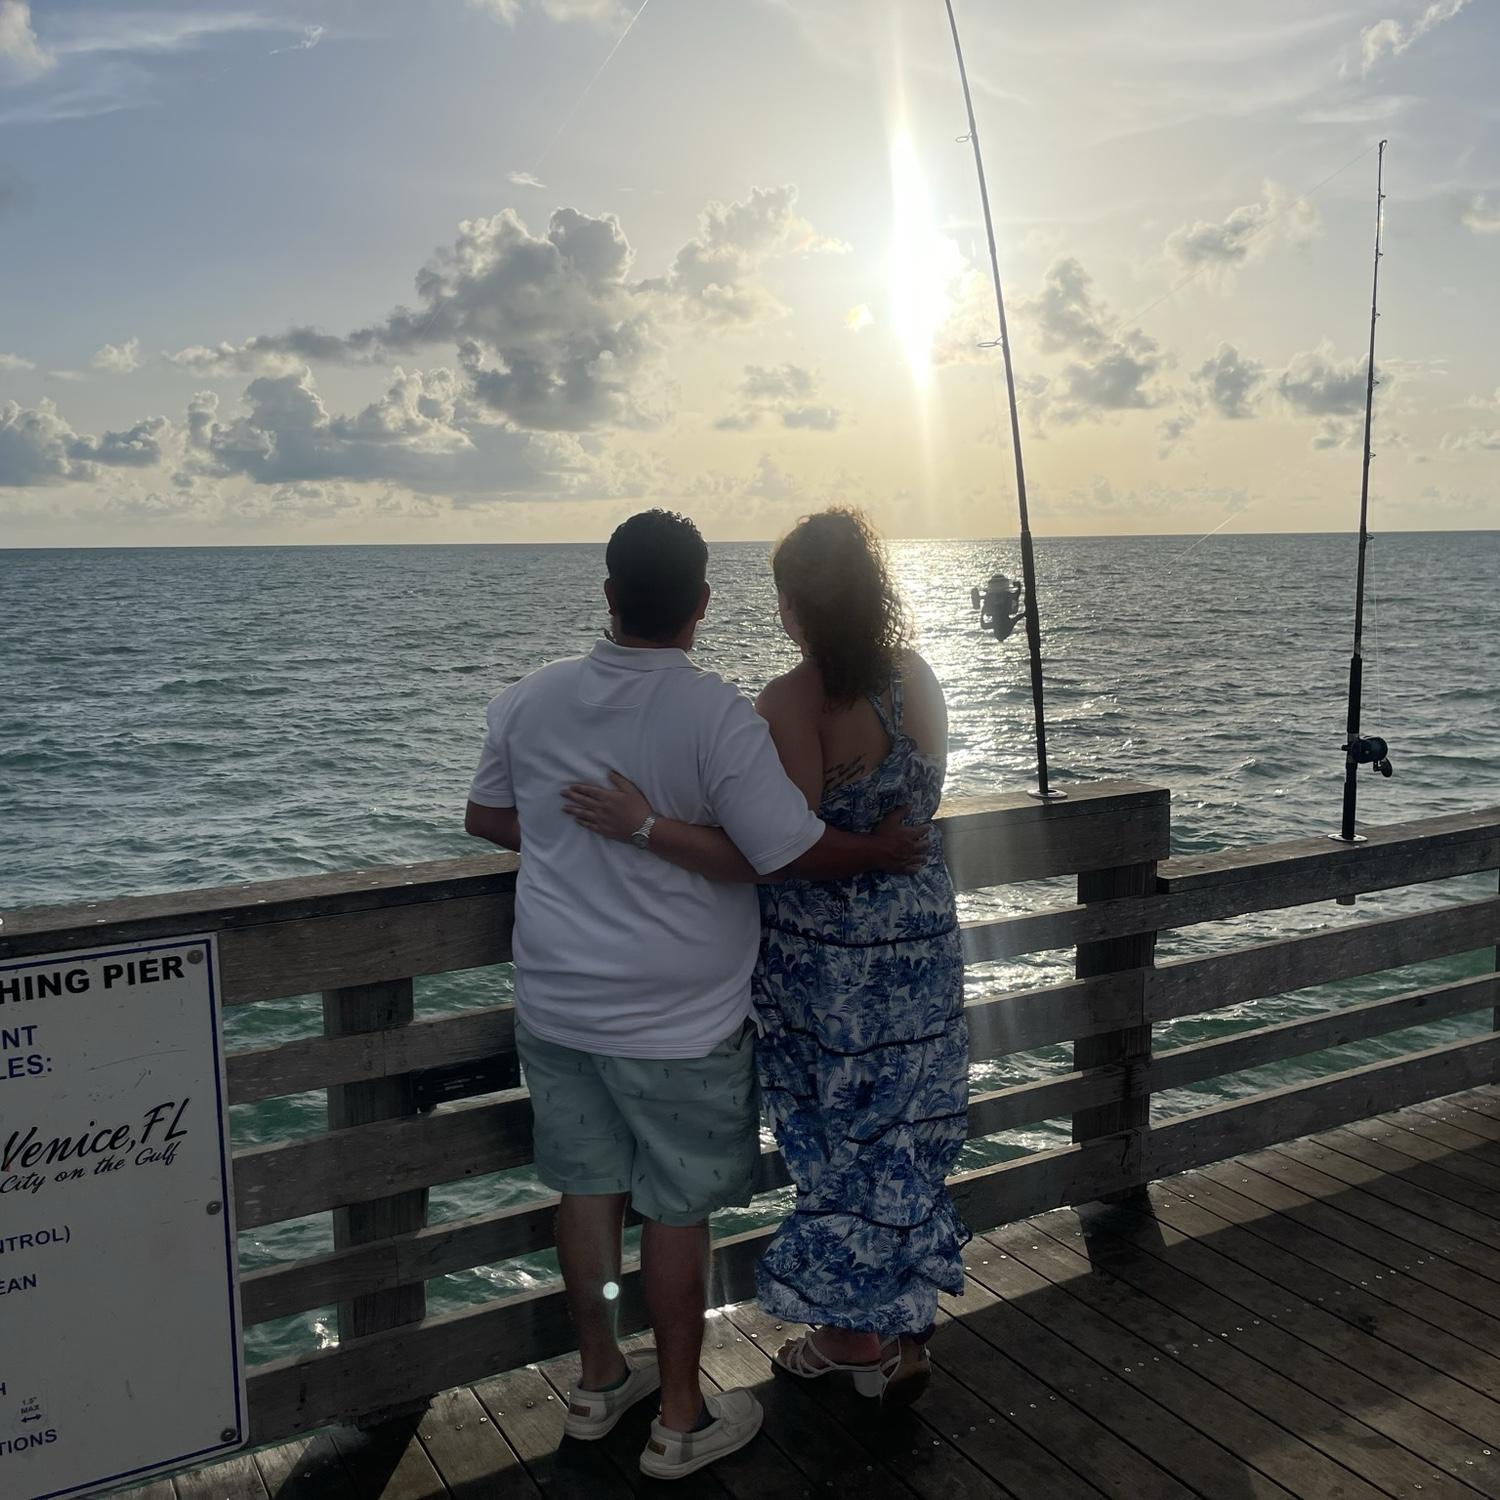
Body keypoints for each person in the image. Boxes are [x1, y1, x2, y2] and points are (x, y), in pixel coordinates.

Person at [464, 509, 929, 1481]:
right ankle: (679, 1420)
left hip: (555, 1003)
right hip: (679, 1021)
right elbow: (787, 852)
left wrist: (568, 840)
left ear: (606, 595)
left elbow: (485, 816)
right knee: (676, 1210)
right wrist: (879, 848)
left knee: (584, 1187)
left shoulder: (527, 700)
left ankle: (598, 1382)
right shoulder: (716, 714)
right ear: (703, 606)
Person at [564, 508, 970, 1411]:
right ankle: (902, 1327)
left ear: (791, 602)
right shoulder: (920, 678)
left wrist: (648, 825)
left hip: (829, 965)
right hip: (922, 944)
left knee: (836, 1141)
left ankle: (852, 1341)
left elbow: (780, 845)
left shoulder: (792, 701)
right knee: (903, 1135)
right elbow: (912, 805)